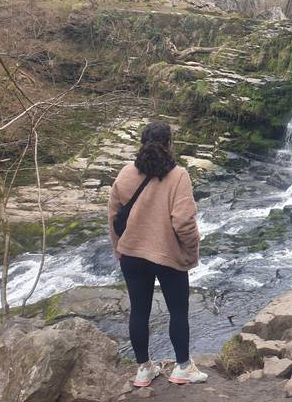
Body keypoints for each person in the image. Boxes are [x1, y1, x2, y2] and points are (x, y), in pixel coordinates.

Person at [109, 121, 207, 387]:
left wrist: (119, 248)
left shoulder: (126, 173)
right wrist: (191, 250)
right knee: (177, 311)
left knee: (139, 312)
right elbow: (184, 222)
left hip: (131, 254)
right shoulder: (178, 177)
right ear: (169, 145)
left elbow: (113, 214)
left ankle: (144, 370)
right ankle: (183, 367)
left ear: (142, 145)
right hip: (167, 256)